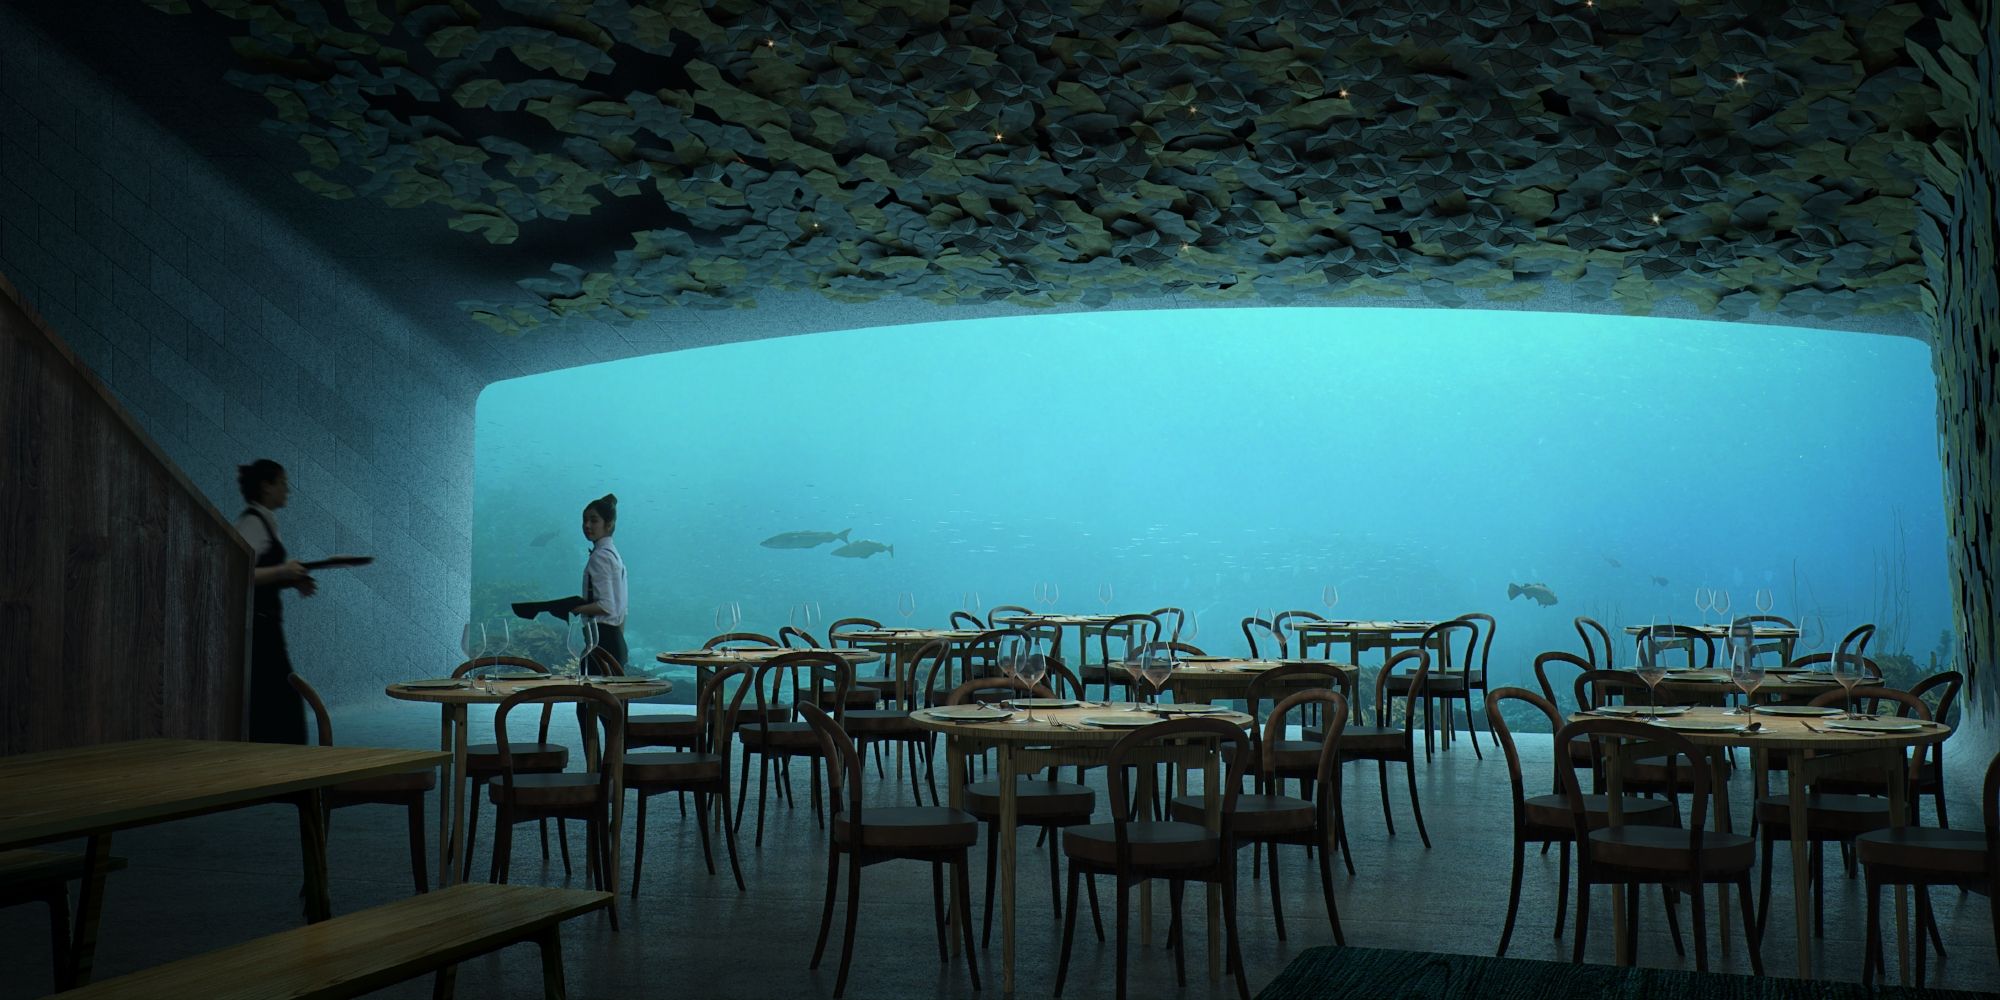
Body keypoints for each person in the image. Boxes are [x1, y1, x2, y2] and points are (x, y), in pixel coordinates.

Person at [235, 459, 315, 744]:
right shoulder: (252, 524)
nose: (288, 490)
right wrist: (283, 571)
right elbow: (237, 571)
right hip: (259, 629)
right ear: (266, 487)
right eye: (282, 483)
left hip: (265, 625)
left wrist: (289, 580)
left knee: (276, 704)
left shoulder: (263, 521)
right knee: (281, 704)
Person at [570, 493, 628, 672]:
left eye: (594, 520)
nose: (587, 525)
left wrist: (575, 608)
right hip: (615, 641)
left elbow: (606, 605)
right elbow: (621, 610)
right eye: (585, 520)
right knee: (610, 698)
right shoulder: (613, 554)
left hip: (601, 641)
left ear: (608, 524)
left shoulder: (600, 557)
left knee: (592, 697)